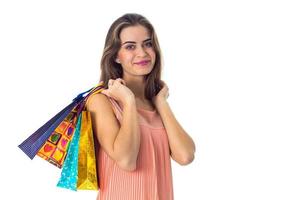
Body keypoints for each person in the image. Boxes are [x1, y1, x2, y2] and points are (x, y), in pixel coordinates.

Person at [87, 13, 196, 200]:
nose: (142, 53)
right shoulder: (101, 101)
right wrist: (128, 102)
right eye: (130, 46)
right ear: (116, 56)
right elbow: (126, 160)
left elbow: (185, 156)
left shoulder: (156, 104)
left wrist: (161, 103)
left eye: (148, 44)